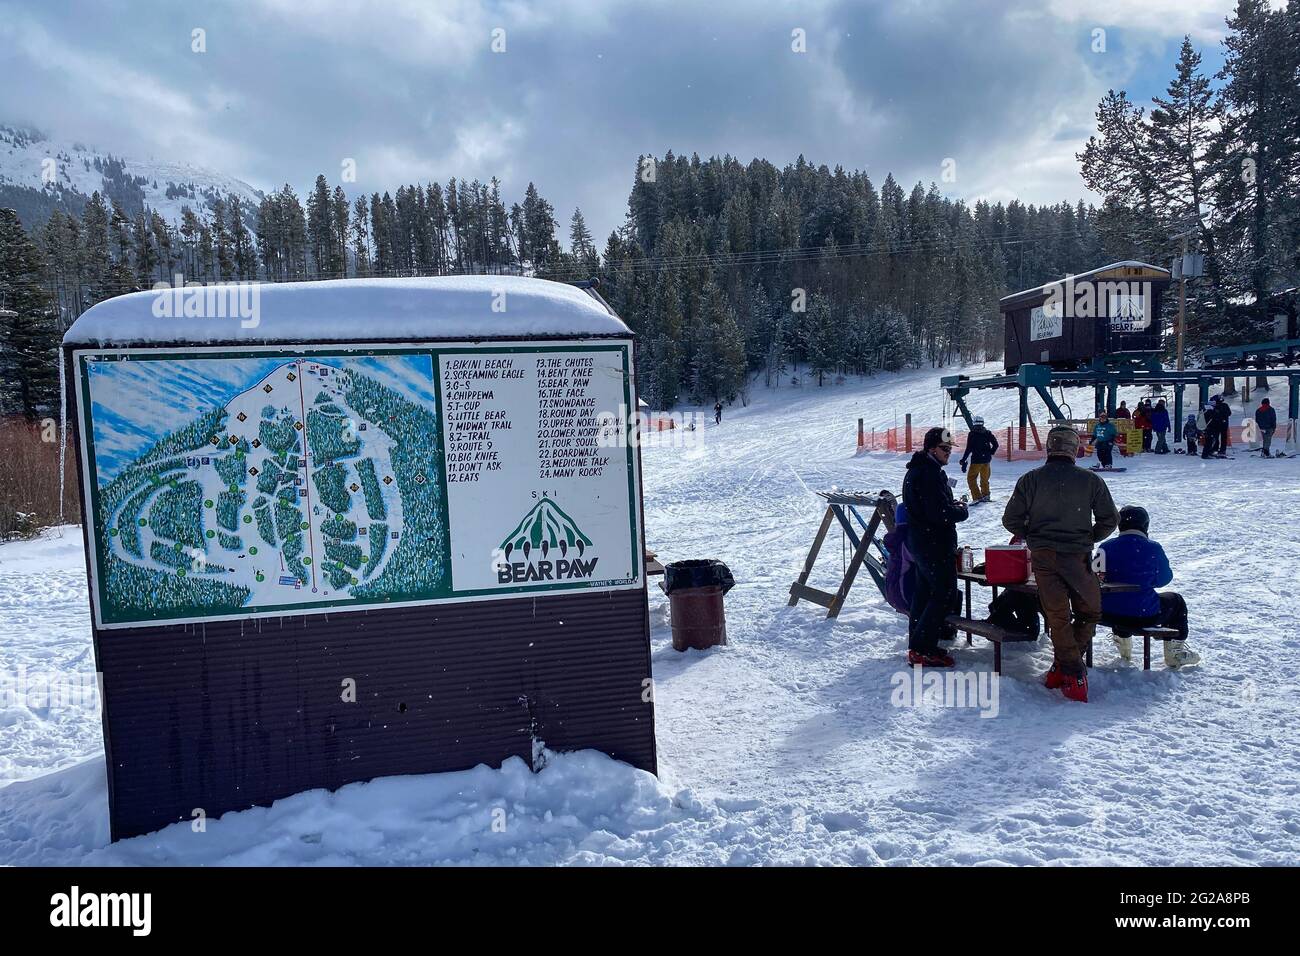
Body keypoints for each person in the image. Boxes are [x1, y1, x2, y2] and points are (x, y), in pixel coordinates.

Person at [1002, 426, 1119, 702]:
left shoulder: (1030, 480)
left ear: (1049, 448)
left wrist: (1033, 536)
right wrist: (1089, 537)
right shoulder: (1090, 481)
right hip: (1077, 556)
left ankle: (1064, 668)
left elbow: (1011, 520)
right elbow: (1109, 520)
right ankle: (1073, 671)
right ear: (1074, 449)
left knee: (1058, 616)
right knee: (1089, 612)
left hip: (1043, 557)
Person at [1098, 506, 1200, 669]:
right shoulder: (1153, 548)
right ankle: (1175, 653)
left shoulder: (1105, 547)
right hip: (1143, 614)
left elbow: (1096, 578)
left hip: (1107, 613)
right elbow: (1164, 580)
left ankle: (1123, 647)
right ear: (1145, 525)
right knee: (1176, 601)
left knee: (1120, 600)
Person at [902, 426, 969, 668]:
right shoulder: (929, 473)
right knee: (944, 592)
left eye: (950, 449)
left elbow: (933, 507)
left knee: (924, 592)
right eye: (944, 449)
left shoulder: (922, 470)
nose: (948, 453)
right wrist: (960, 510)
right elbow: (938, 512)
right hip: (933, 543)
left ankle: (919, 644)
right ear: (932, 448)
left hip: (922, 541)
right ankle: (923, 648)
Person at [959, 415, 999, 501]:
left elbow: (968, 448)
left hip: (976, 460)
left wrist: (964, 459)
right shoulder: (987, 433)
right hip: (986, 460)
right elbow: (996, 444)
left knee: (971, 478)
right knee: (984, 479)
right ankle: (986, 495)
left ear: (974, 423)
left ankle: (977, 497)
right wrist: (990, 452)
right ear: (982, 423)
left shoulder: (972, 434)